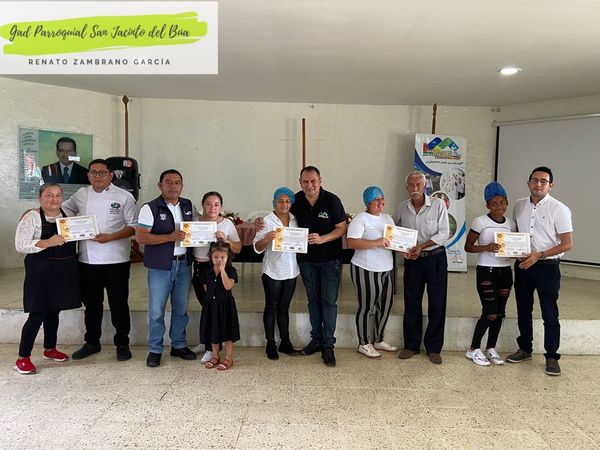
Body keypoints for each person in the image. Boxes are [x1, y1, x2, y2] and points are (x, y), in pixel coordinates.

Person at [62, 159, 138, 362]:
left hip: (117, 260)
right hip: (87, 260)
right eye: (93, 172)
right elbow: (64, 211)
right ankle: (92, 342)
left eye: (102, 172)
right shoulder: (81, 194)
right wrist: (38, 212)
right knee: (92, 305)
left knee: (119, 304)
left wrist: (111, 237)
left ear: (110, 175)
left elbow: (134, 226)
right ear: (88, 176)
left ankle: (122, 343)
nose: (97, 176)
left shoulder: (124, 196)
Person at [506, 166, 573, 376]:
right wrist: (515, 251)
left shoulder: (559, 209)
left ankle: (551, 356)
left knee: (549, 312)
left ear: (550, 185)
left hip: (547, 267)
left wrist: (540, 254)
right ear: (528, 183)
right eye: (535, 180)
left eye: (543, 181)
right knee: (523, 309)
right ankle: (525, 348)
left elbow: (567, 244)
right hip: (524, 265)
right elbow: (516, 234)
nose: (538, 184)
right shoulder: (519, 205)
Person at [14, 183, 81, 374]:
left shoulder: (68, 215)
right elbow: (20, 245)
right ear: (40, 197)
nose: (54, 199)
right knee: (37, 314)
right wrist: (47, 242)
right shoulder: (32, 217)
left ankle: (50, 349)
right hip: (40, 273)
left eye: (58, 195)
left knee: (54, 312)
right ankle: (22, 358)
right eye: (49, 195)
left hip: (63, 271)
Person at [135, 169, 196, 367]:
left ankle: (178, 345)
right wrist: (169, 237)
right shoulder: (150, 208)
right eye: (168, 182)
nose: (173, 186)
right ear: (160, 185)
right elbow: (141, 237)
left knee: (181, 309)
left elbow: (197, 229)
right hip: (160, 266)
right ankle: (155, 349)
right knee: (156, 311)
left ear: (182, 186)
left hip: (184, 264)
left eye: (177, 182)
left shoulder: (188, 205)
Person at [293, 166, 347, 367]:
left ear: (320, 181)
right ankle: (316, 340)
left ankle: (328, 345)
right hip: (306, 261)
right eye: (305, 182)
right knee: (313, 301)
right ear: (300, 183)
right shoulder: (295, 200)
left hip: (330, 261)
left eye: (313, 181)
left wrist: (323, 239)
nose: (310, 185)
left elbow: (342, 228)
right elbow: (283, 221)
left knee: (329, 302)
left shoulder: (332, 201)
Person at [393, 171, 449, 364]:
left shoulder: (438, 204)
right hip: (413, 261)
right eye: (411, 185)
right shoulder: (401, 208)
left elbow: (444, 232)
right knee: (411, 302)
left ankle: (434, 348)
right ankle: (411, 345)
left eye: (419, 185)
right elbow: (394, 232)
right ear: (406, 187)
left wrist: (421, 246)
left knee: (437, 303)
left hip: (435, 259)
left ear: (425, 186)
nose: (415, 188)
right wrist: (402, 250)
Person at [464, 182, 515, 366]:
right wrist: (486, 247)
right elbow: (468, 247)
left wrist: (516, 252)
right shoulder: (480, 222)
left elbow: (514, 246)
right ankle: (473, 349)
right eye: (494, 203)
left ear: (506, 202)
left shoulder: (511, 224)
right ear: (487, 205)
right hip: (486, 271)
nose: (498, 206)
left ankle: (490, 347)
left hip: (505, 272)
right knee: (490, 312)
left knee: (500, 313)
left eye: (502, 202)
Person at [190, 191, 242, 363]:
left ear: (221, 206)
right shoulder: (194, 222)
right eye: (208, 204)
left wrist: (226, 240)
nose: (212, 207)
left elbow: (238, 248)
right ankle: (208, 342)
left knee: (216, 308)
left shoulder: (226, 224)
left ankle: (212, 349)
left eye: (216, 204)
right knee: (207, 307)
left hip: (219, 268)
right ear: (202, 205)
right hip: (200, 268)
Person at [347, 186, 397, 359]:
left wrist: (405, 250)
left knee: (386, 306)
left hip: (386, 269)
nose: (380, 202)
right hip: (365, 268)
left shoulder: (388, 218)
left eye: (382, 198)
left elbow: (393, 241)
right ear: (368, 202)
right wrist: (377, 242)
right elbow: (352, 242)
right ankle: (363, 343)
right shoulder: (361, 219)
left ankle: (379, 339)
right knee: (367, 307)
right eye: (376, 199)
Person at [253, 187, 301, 360]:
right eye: (280, 201)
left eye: (287, 201)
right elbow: (257, 247)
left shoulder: (295, 220)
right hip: (272, 271)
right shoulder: (266, 221)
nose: (284, 204)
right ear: (274, 202)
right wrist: (267, 238)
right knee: (271, 306)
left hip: (291, 271)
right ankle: (270, 342)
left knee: (284, 307)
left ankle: (285, 341)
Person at [199, 242, 240, 370]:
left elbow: (228, 286)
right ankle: (215, 356)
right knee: (213, 331)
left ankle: (228, 358)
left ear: (228, 257)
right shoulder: (207, 271)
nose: (219, 260)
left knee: (228, 333)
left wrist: (222, 271)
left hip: (225, 305)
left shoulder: (231, 271)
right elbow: (206, 288)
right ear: (211, 257)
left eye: (222, 257)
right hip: (211, 305)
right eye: (215, 257)